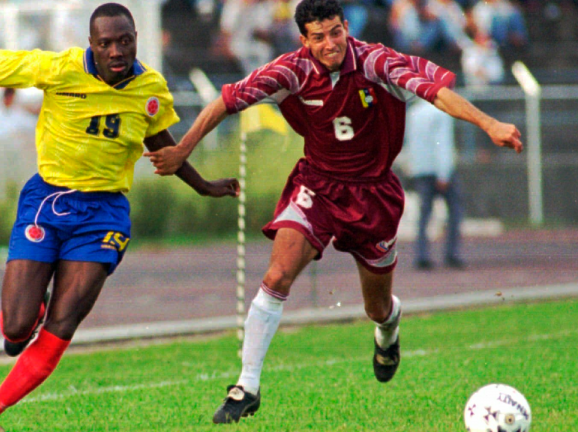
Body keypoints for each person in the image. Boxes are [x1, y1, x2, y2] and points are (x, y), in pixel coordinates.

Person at [0, 3, 239, 432]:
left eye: (124, 41)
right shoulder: (57, 67)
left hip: (104, 215)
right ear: (90, 43)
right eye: (106, 42)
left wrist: (203, 185)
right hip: (47, 201)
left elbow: (159, 137)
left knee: (64, 318)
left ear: (135, 40)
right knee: (16, 333)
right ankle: (27, 307)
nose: (116, 50)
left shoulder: (150, 89)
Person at [146, 0, 522, 424]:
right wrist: (182, 150)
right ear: (304, 40)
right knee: (276, 275)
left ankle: (389, 327)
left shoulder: (377, 61)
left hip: (373, 194)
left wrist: (489, 124)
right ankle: (246, 385)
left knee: (375, 307)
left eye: (335, 33)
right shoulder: (290, 70)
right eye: (319, 37)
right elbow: (224, 102)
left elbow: (435, 92)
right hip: (318, 184)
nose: (330, 44)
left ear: (346, 27)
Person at [405, 98, 464, 270]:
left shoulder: (413, 112)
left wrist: (412, 166)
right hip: (439, 169)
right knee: (455, 211)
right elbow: (443, 143)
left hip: (421, 168)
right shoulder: (441, 111)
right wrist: (444, 173)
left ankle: (421, 254)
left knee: (424, 215)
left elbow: (410, 141)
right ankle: (452, 253)